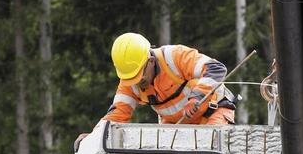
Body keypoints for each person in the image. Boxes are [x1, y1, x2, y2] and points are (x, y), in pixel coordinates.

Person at [94, 32, 236, 131]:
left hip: (212, 113)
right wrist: (95, 136)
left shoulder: (174, 56)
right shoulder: (129, 82)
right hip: (177, 125)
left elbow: (216, 68)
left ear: (150, 61)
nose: (136, 83)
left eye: (139, 77)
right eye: (131, 79)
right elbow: (117, 115)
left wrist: (196, 98)